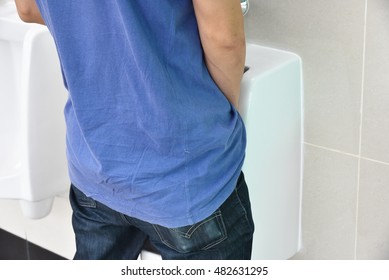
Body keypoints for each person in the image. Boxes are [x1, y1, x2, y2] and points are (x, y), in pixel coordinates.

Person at [15, 0, 254, 260]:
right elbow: (224, 38)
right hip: (186, 175)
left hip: (94, 164)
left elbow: (28, 8)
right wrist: (221, 112)